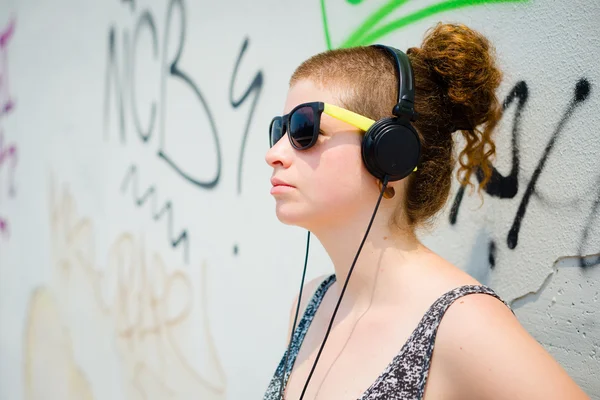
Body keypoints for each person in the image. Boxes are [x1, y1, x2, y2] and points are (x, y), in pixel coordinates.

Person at [263, 22, 590, 400]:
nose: (274, 153)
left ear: (389, 150)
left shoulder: (462, 324)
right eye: (279, 130)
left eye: (304, 128)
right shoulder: (308, 305)